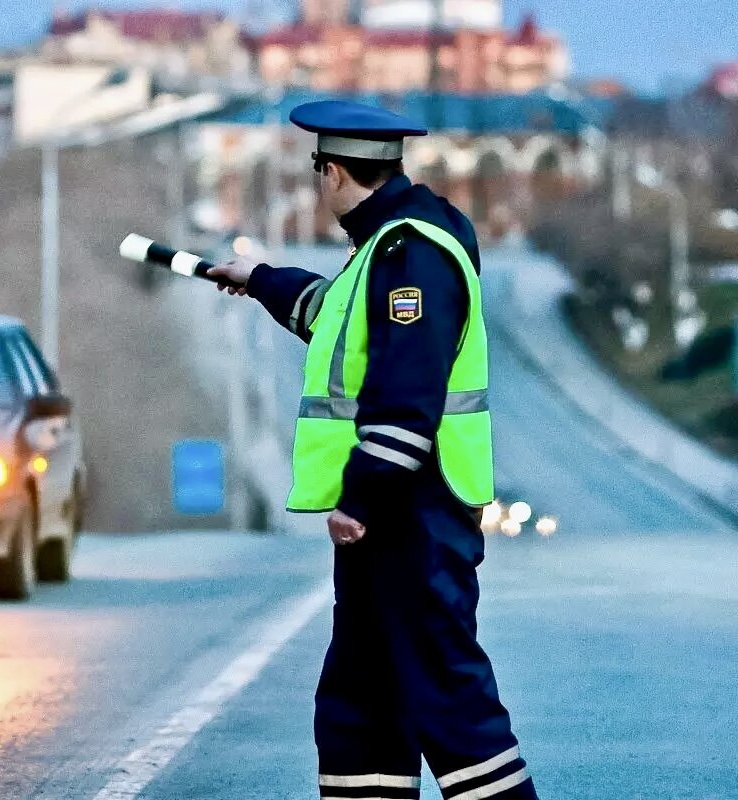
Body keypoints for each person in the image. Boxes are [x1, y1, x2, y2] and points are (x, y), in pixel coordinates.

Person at [207, 100, 540, 800]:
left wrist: (360, 499)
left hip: (411, 513)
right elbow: (337, 319)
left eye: (317, 171)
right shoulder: (393, 243)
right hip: (399, 518)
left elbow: (406, 392)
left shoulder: (409, 251)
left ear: (331, 172)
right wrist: (260, 277)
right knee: (363, 703)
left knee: (449, 701)